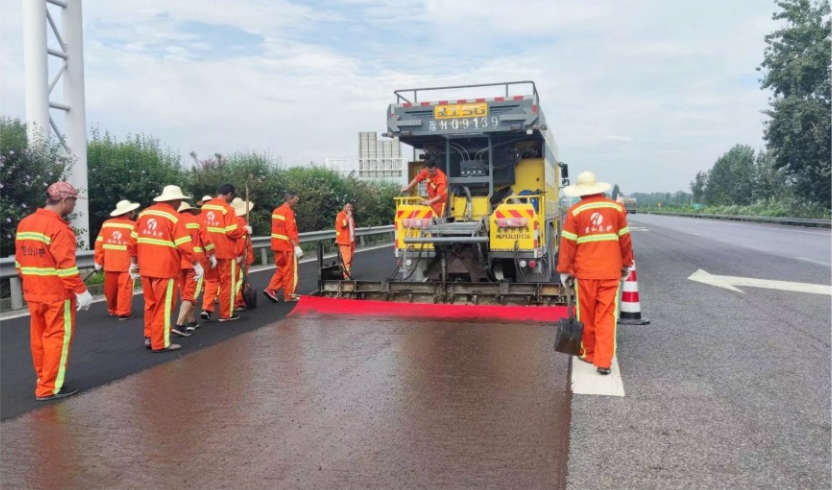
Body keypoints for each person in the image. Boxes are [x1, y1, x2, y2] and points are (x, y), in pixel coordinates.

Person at [15, 181, 93, 401]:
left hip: (33, 292)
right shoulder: (59, 228)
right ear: (64, 200)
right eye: (74, 200)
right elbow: (66, 267)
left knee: (40, 339)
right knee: (57, 338)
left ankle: (45, 379)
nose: (74, 205)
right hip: (57, 295)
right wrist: (81, 291)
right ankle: (49, 387)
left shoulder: (25, 223)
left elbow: (20, 263)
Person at [556, 171, 634, 376]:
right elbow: (625, 240)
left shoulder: (575, 211)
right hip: (610, 272)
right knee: (606, 315)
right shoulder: (616, 209)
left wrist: (564, 270)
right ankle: (603, 361)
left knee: (587, 314)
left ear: (581, 191)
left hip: (585, 273)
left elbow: (568, 244)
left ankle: (589, 353)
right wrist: (626, 264)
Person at [130, 185, 204, 352]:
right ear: (175, 200)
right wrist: (196, 264)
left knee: (150, 304)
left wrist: (133, 263)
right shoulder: (174, 217)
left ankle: (150, 336)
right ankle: (161, 342)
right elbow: (184, 245)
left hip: (145, 267)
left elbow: (133, 241)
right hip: (165, 268)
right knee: (163, 306)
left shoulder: (144, 214)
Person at [200, 184, 248, 321]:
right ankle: (225, 314)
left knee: (211, 281)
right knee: (227, 282)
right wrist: (245, 230)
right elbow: (231, 231)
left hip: (209, 252)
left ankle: (206, 308)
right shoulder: (227, 209)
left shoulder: (205, 207)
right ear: (229, 195)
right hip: (225, 252)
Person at [174, 201, 216, 335]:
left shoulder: (174, 221)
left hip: (177, 262)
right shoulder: (197, 220)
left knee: (185, 292)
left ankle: (191, 321)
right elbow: (207, 240)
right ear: (191, 210)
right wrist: (211, 255)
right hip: (195, 262)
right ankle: (179, 324)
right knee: (191, 294)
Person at [93, 199, 140, 320]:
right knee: (125, 288)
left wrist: (98, 261)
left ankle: (112, 309)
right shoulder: (133, 226)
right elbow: (137, 245)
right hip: (126, 264)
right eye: (133, 211)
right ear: (128, 212)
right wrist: (137, 263)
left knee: (110, 289)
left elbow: (99, 243)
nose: (134, 213)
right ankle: (123, 312)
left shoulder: (107, 224)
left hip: (109, 263)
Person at [264, 191, 303, 303]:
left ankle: (271, 289)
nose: (296, 201)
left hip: (277, 246)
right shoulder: (288, 212)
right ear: (289, 199)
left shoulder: (276, 211)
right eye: (295, 199)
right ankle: (289, 295)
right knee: (290, 272)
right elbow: (290, 231)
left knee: (282, 269)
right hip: (288, 247)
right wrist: (296, 247)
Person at [230, 197, 255, 311]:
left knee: (236, 279)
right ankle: (237, 302)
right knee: (239, 279)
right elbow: (241, 240)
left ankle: (235, 301)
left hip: (235, 254)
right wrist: (240, 255)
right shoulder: (240, 221)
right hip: (241, 255)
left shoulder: (232, 220)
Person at [335, 202, 356, 279]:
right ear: (344, 207)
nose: (349, 209)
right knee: (346, 259)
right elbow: (342, 224)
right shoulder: (340, 215)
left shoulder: (351, 216)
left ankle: (346, 273)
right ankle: (346, 276)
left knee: (350, 259)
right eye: (348, 207)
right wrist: (348, 216)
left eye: (350, 207)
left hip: (351, 241)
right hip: (344, 241)